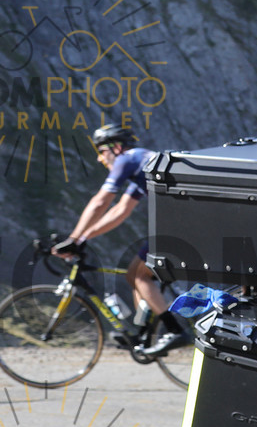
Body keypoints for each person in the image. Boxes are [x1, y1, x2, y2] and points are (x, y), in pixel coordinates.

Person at [54, 124, 188, 357]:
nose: (99, 158)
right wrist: (83, 237)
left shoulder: (128, 159)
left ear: (116, 147)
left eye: (101, 151)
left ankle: (176, 331)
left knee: (140, 276)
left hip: (178, 226)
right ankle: (143, 333)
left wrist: (74, 238)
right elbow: (120, 211)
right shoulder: (141, 163)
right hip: (178, 224)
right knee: (132, 274)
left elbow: (101, 202)